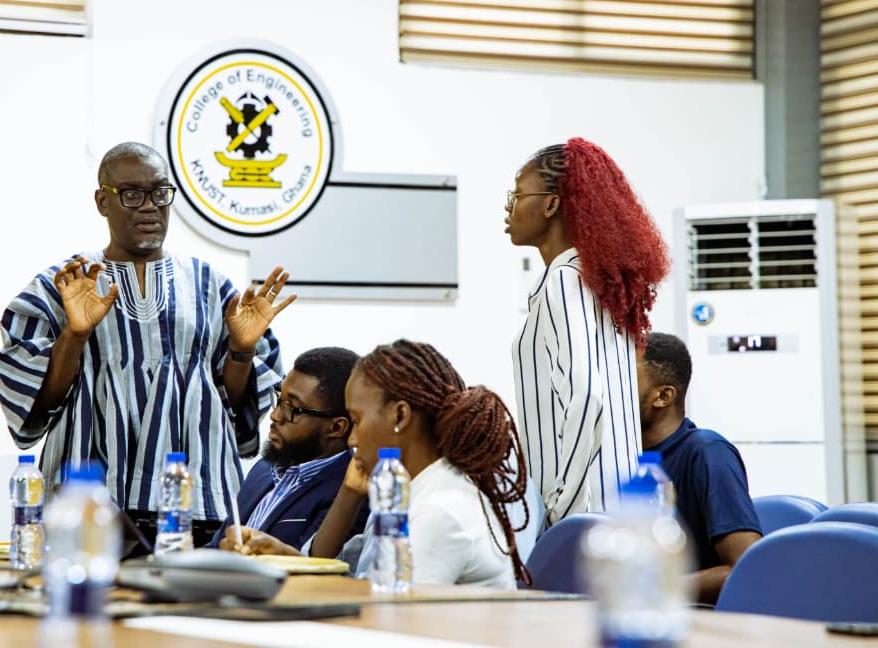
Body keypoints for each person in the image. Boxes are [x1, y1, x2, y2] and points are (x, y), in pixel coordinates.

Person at [0, 141, 295, 548]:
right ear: (103, 201)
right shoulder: (63, 283)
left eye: (160, 193)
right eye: (132, 195)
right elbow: (35, 408)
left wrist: (241, 351)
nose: (150, 207)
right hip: (93, 500)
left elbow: (238, 415)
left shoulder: (211, 286)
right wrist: (75, 334)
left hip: (195, 502)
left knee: (195, 609)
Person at [223, 339, 533, 588]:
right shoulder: (409, 490)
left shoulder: (438, 511)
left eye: (356, 421)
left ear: (399, 415)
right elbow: (351, 578)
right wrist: (282, 555)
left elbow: (389, 622)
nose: (352, 438)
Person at [505, 138, 670, 531]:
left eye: (517, 193)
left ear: (550, 204)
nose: (509, 206)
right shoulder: (596, 283)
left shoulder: (564, 282)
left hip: (585, 508)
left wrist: (562, 502)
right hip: (619, 500)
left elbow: (587, 396)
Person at [637, 331, 762, 605]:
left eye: (627, 379)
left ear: (662, 396)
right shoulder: (624, 455)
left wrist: (655, 590)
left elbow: (746, 566)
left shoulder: (708, 452)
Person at [208, 347, 368, 550]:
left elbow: (314, 569)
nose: (275, 415)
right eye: (279, 399)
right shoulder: (264, 468)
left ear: (336, 427)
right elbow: (216, 545)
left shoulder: (349, 495)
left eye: (292, 408)